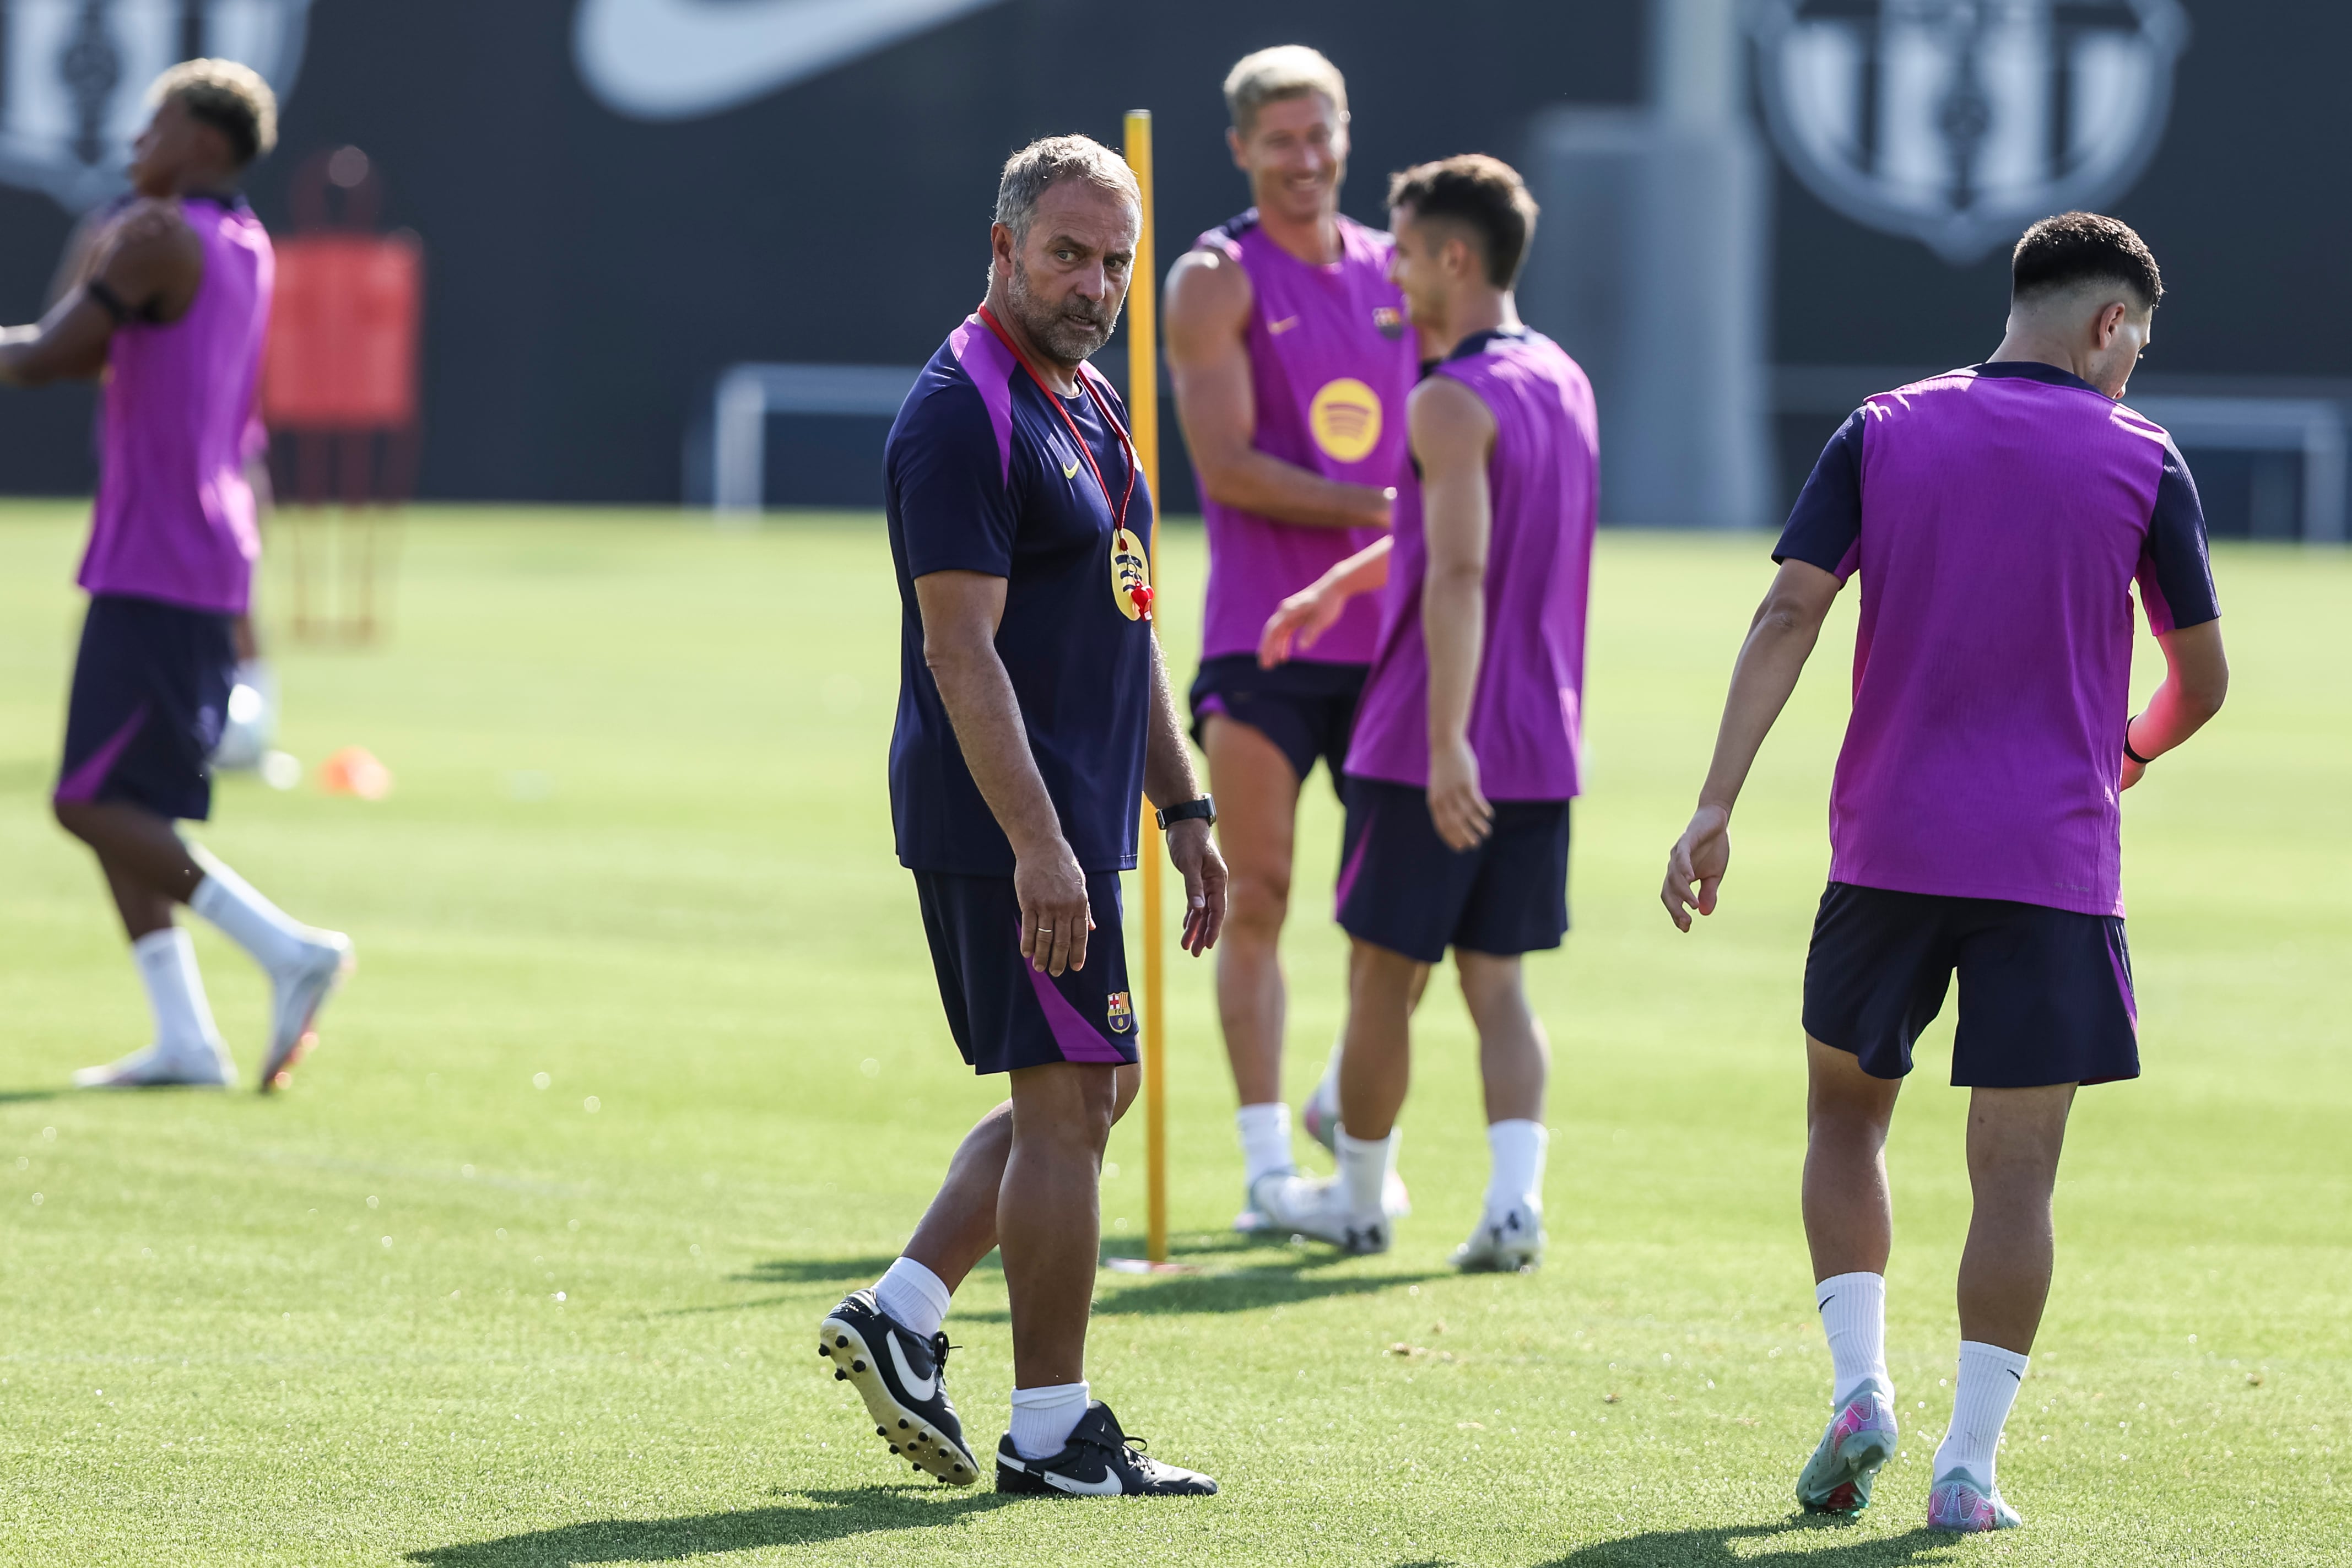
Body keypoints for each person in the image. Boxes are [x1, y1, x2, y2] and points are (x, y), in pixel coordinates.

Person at [1661, 212, 2226, 1533]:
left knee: (1843, 1121)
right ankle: (1966, 1469)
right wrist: (2127, 750)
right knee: (2013, 1178)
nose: (2135, 359)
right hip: (2054, 865)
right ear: (2105, 325)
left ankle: (1860, 1382)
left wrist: (1713, 801)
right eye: (2136, 335)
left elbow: (1787, 610)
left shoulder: (1880, 427)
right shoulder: (2143, 457)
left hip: (1889, 852)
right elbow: (2200, 680)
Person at [817, 135, 1226, 1498]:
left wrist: (1184, 806)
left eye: (1117, 259)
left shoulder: (1091, 403)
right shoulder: (961, 409)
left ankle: (903, 1312)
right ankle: (1051, 1432)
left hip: (1084, 824)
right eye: (1068, 252)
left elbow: (1130, 624)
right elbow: (959, 653)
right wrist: (1040, 847)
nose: (1095, 280)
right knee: (1064, 1108)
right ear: (1002, 246)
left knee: (1093, 1090)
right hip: (1009, 826)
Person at [1256, 155, 1597, 1270]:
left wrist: (1446, 737)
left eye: (1401, 249)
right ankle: (1514, 1203)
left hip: (1428, 739)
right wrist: (1339, 585)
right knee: (1494, 981)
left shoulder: (1446, 396)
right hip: (1541, 740)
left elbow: (1457, 573)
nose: (1389, 270)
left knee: (1377, 980)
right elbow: (1437, 526)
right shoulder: (1562, 379)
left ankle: (1356, 1198)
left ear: (1455, 257)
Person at [0, 60, 352, 1093]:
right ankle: (185, 1035)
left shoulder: (156, 236)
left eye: (155, 125)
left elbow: (58, 350)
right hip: (187, 551)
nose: (134, 143)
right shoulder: (241, 239)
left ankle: (290, 948)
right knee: (120, 797)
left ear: (204, 140)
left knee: (87, 803)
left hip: (158, 554)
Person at [1163, 46, 1423, 1230]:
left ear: (1345, 134)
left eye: (1320, 134)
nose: (1304, 159)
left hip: (1390, 641)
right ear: (1240, 150)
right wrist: (1382, 510)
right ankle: (1268, 1164)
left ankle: (1337, 1098)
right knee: (1255, 891)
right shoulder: (1213, 278)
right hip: (1259, 646)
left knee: (1403, 911)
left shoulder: (1400, 270)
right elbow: (1224, 465)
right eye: (1279, 140)